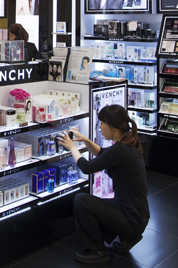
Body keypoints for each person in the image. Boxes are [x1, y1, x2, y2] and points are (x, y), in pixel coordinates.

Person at [59, 105, 149, 264]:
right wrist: (85, 140)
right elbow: (103, 154)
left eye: (102, 123)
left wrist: (72, 147)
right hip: (137, 214)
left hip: (132, 220)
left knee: (82, 200)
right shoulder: (128, 144)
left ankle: (98, 250)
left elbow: (86, 168)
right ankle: (127, 237)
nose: (99, 127)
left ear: (113, 127)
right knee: (95, 204)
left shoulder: (120, 150)